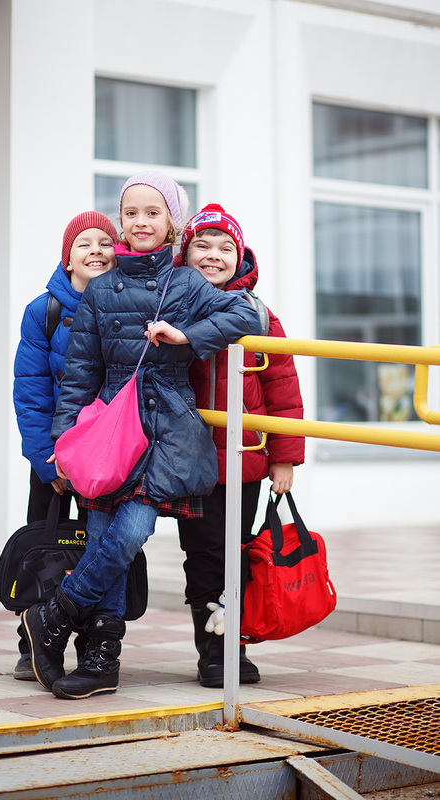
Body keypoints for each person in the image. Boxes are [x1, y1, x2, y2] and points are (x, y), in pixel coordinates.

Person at [21, 171, 263, 700]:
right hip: (111, 431)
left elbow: (248, 316)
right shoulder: (101, 290)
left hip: (168, 432)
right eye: (131, 213)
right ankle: (102, 659)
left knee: (131, 532)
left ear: (172, 222)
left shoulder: (186, 283)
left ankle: (55, 611)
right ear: (121, 223)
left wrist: (186, 337)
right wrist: (63, 442)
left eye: (153, 212)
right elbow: (80, 375)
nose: (141, 221)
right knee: (105, 538)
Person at [176, 204, 305, 687]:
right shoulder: (170, 306)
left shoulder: (259, 315)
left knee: (240, 550)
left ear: (240, 257)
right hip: (187, 461)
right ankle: (212, 653)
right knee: (205, 553)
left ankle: (235, 645)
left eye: (225, 248)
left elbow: (283, 389)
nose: (214, 255)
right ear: (184, 253)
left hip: (245, 460)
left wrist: (284, 457)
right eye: (202, 245)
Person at [12, 211, 118, 679]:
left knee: (100, 547)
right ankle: (31, 644)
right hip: (52, 457)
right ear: (68, 259)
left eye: (105, 242)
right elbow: (31, 391)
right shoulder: (44, 311)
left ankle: (92, 644)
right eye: (84, 243)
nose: (96, 249)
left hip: (107, 459)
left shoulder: (127, 306)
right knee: (44, 545)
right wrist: (44, 460)